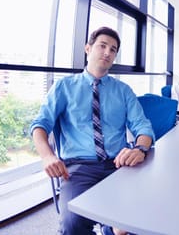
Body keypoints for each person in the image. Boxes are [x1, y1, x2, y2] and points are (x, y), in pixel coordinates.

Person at [30, 26, 154, 235]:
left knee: (143, 217)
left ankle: (110, 229)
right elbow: (40, 125)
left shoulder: (123, 91)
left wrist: (140, 149)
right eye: (102, 46)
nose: (107, 52)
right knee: (72, 225)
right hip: (79, 168)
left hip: (119, 164)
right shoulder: (64, 87)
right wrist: (47, 156)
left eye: (113, 49)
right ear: (88, 48)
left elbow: (143, 127)